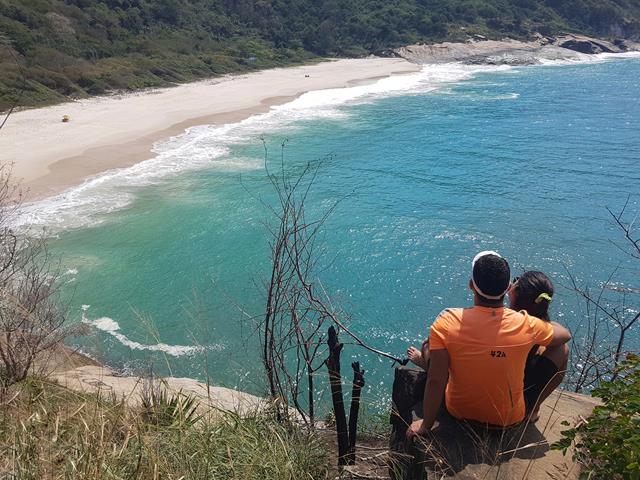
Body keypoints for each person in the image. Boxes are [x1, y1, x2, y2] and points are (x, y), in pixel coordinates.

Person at [406, 251, 571, 438]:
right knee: (562, 350)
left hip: (459, 412)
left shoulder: (447, 321)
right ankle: (531, 411)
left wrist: (426, 425)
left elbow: (436, 380)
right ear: (507, 287)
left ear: (471, 285)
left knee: (431, 345)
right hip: (508, 419)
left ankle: (425, 362)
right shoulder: (527, 324)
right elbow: (565, 335)